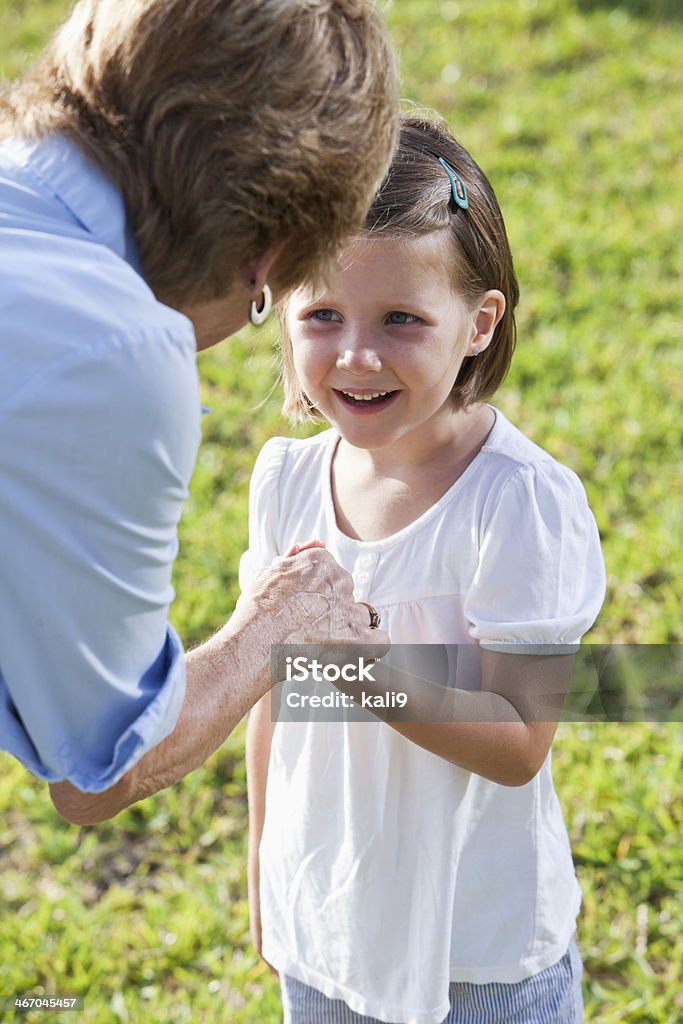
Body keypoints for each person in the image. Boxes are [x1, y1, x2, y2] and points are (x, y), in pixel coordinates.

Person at [243, 114, 606, 1024]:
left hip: (473, 955)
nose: (355, 355)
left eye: (401, 319)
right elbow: (267, 692)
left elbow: (519, 741)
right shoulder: (286, 480)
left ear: (478, 323)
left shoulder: (516, 501)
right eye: (322, 315)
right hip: (327, 930)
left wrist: (345, 666)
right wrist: (263, 869)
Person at [0, 0, 397, 825]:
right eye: (280, 305)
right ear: (268, 255)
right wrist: (274, 628)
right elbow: (99, 767)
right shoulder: (111, 350)